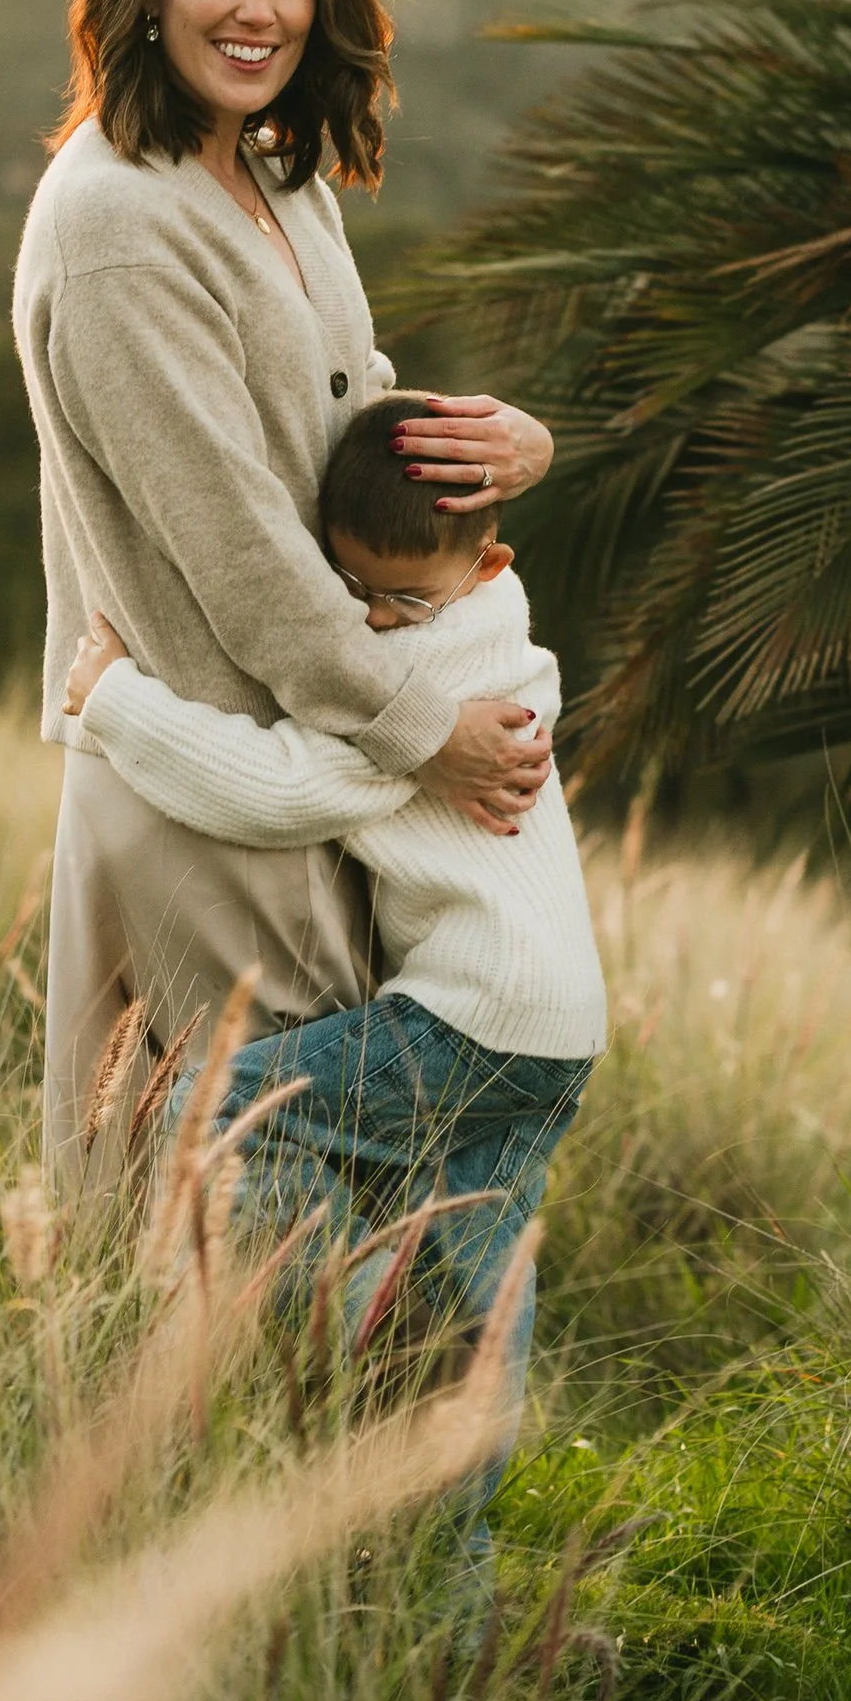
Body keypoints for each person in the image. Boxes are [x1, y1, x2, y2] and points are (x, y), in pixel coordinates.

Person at [15, 0, 558, 1187]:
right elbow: (242, 552)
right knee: (213, 1190)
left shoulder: (265, 173)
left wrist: (512, 447)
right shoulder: (116, 223)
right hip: (202, 769)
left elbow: (340, 423)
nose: (260, 9)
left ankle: (327, 1410)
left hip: (302, 756)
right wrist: (423, 727)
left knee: (294, 1193)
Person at [60, 389, 605, 1559]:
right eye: (349, 588)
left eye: (402, 599)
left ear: (487, 560)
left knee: (236, 1120)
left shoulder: (455, 679)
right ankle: (447, 1599)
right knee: (478, 1306)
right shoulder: (472, 617)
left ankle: (362, 1378)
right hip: (552, 1031)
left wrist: (113, 702)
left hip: (476, 1015)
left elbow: (280, 789)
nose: (371, 621)